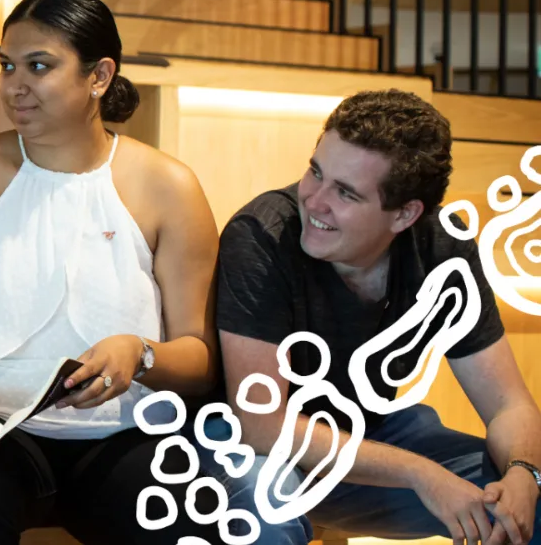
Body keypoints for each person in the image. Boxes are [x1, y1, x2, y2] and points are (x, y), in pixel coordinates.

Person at [0, 0, 222, 544]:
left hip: (128, 434)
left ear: (99, 75)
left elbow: (199, 358)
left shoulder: (170, 186)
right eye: (7, 66)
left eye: (38, 66)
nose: (14, 85)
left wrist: (139, 352)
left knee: (183, 524)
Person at [212, 89, 541, 545]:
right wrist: (420, 474)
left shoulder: (443, 249)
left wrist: (525, 474)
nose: (314, 201)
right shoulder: (262, 236)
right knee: (268, 506)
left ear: (405, 214)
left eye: (345, 192)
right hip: (253, 448)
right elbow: (261, 424)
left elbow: (509, 404)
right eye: (315, 171)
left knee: (523, 506)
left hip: (368, 434)